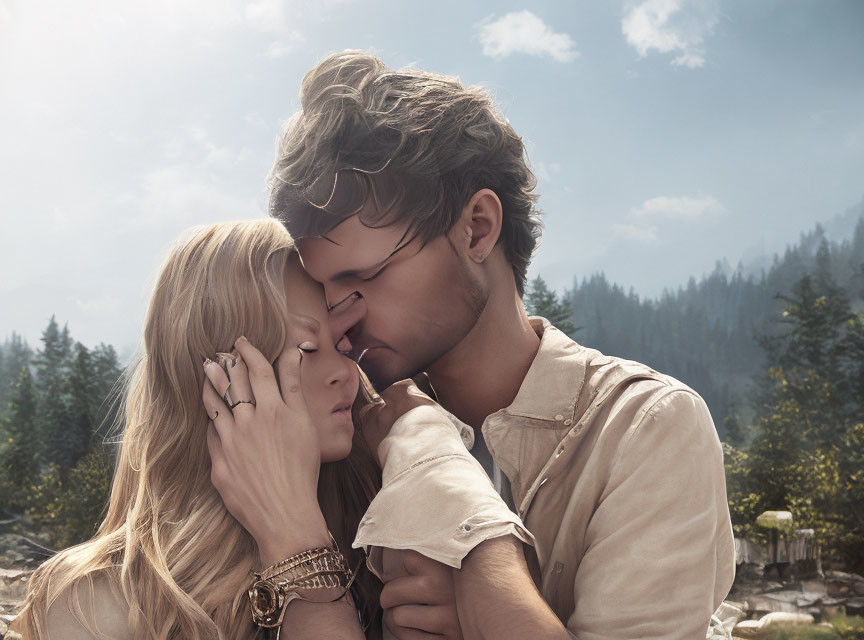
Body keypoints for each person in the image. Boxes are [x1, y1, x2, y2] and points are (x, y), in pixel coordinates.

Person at [257, 50, 737, 639]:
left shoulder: (643, 429)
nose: (340, 322)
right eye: (325, 292)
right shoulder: (346, 427)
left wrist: (485, 596)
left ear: (477, 228)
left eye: (366, 278)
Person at [10, 219, 395, 639]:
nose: (345, 372)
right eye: (306, 347)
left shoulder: (388, 558)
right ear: (221, 380)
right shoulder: (95, 606)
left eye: (343, 345)